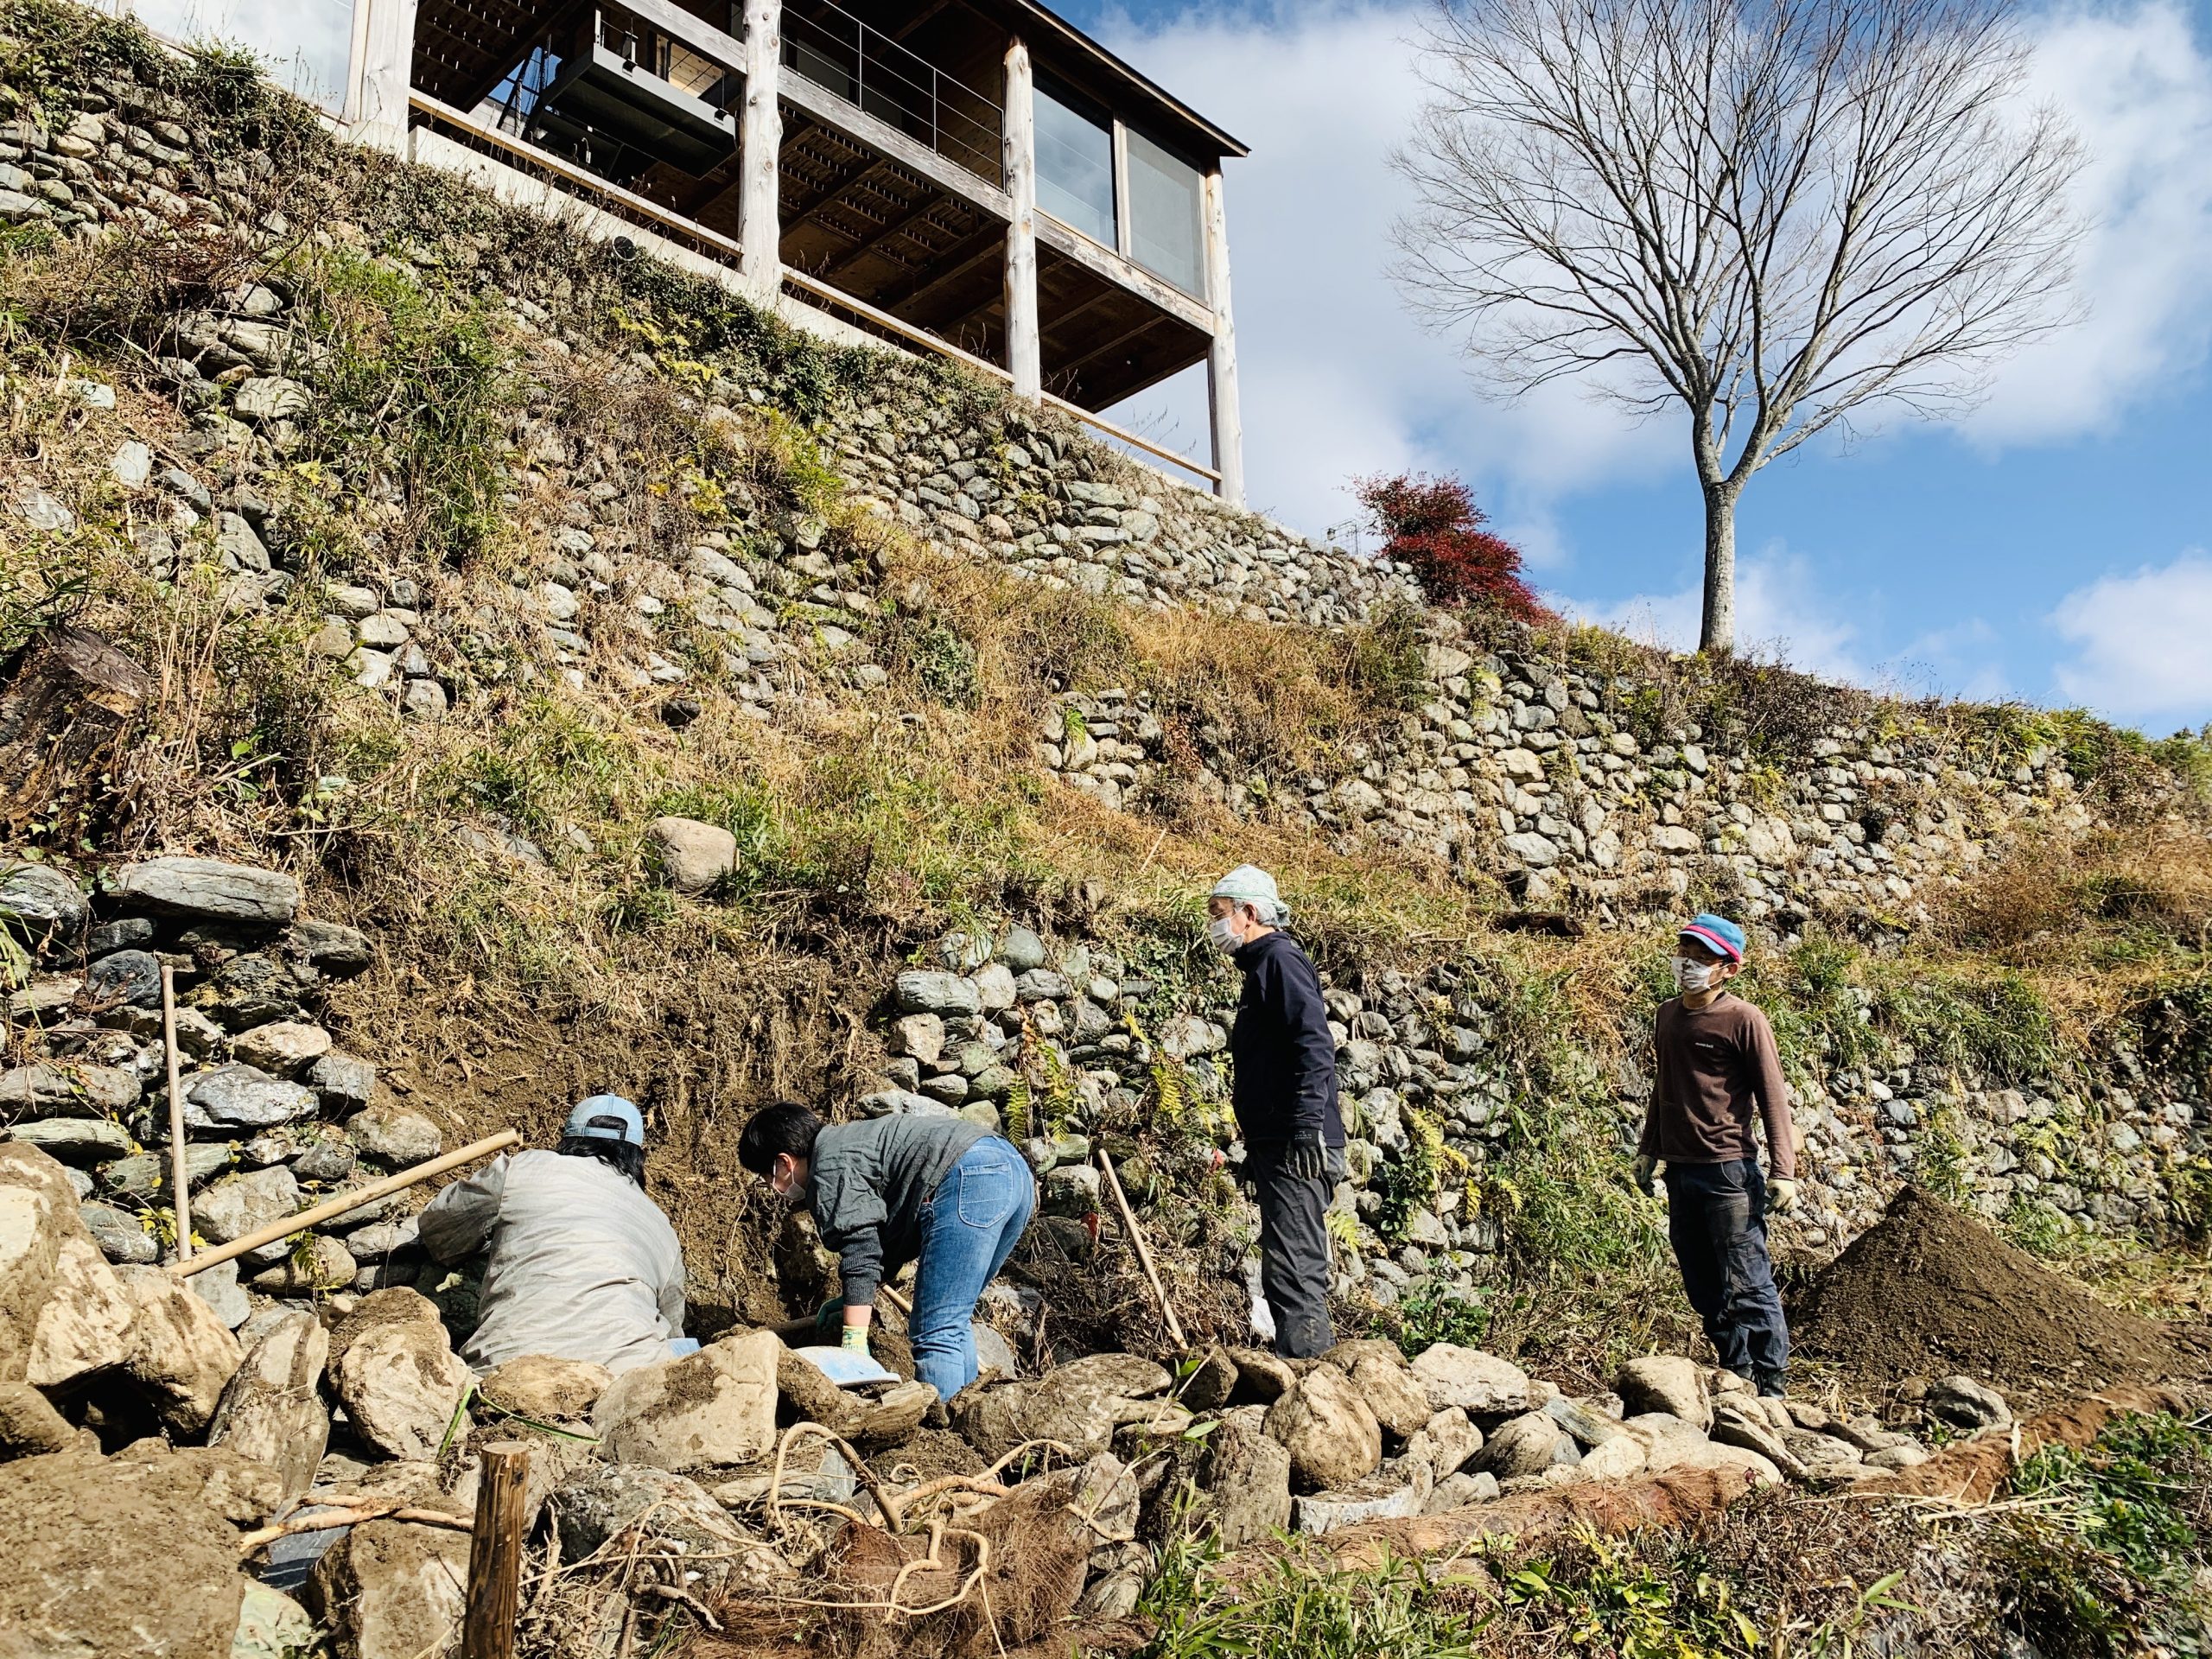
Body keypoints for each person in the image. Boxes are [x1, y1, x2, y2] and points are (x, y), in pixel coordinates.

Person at [738, 1100, 1034, 1402]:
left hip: (969, 1176)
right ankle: (962, 1422)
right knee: (952, 1322)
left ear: (784, 1163)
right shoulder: (851, 1144)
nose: (772, 1187)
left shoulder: (827, 1166)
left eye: (767, 1177)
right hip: (1012, 1172)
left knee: (935, 1329)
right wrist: (851, 1301)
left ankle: (935, 1435)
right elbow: (883, 1248)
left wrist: (853, 1340)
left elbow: (861, 1252)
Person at [1634, 913, 1800, 1396]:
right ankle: (1737, 1370)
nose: (1689, 963)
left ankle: (1772, 1384)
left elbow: (1772, 1098)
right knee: (1701, 1280)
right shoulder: (1668, 1015)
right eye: (1685, 952)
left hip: (1728, 1170)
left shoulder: (1745, 1020)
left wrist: (1783, 1171)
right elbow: (1664, 1088)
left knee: (1747, 1278)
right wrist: (1649, 1150)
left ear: (1729, 969)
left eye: (1703, 958)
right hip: (1681, 1170)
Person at [417, 1094, 694, 1374]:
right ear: (637, 1155)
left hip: (511, 1368)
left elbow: (438, 1225)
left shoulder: (525, 1169)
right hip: (625, 1379)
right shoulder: (661, 1227)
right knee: (688, 1352)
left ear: (569, 1140)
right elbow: (673, 1333)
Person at [1210, 864, 1345, 1359]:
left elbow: (1314, 1043)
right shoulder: (1264, 967)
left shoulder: (1280, 961)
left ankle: (1312, 1392)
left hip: (1298, 1143)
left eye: (1220, 914)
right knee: (1288, 1263)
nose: (1215, 925)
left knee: (1293, 1268)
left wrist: (1306, 1125)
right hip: (1281, 1142)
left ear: (1249, 913)